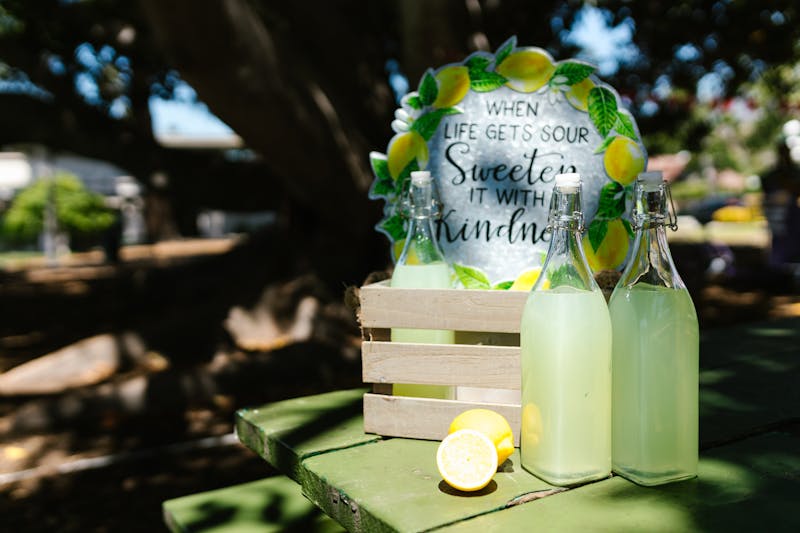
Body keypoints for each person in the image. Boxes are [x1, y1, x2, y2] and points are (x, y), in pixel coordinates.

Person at [761, 140, 800, 273]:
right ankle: (779, 271)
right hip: (778, 215)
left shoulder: (793, 172)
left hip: (791, 215)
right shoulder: (775, 174)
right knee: (779, 243)